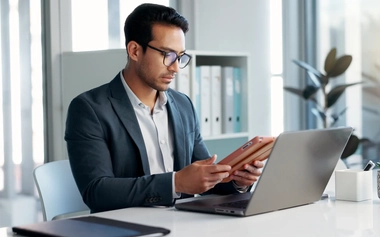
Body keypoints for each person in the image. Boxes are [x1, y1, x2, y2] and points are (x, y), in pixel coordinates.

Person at [65, 3, 264, 213]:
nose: (176, 67)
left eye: (180, 57)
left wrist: (237, 181)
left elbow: (203, 179)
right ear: (134, 50)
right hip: (128, 227)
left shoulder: (183, 105)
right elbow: (97, 192)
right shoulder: (89, 109)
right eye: (167, 55)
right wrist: (176, 183)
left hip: (184, 223)